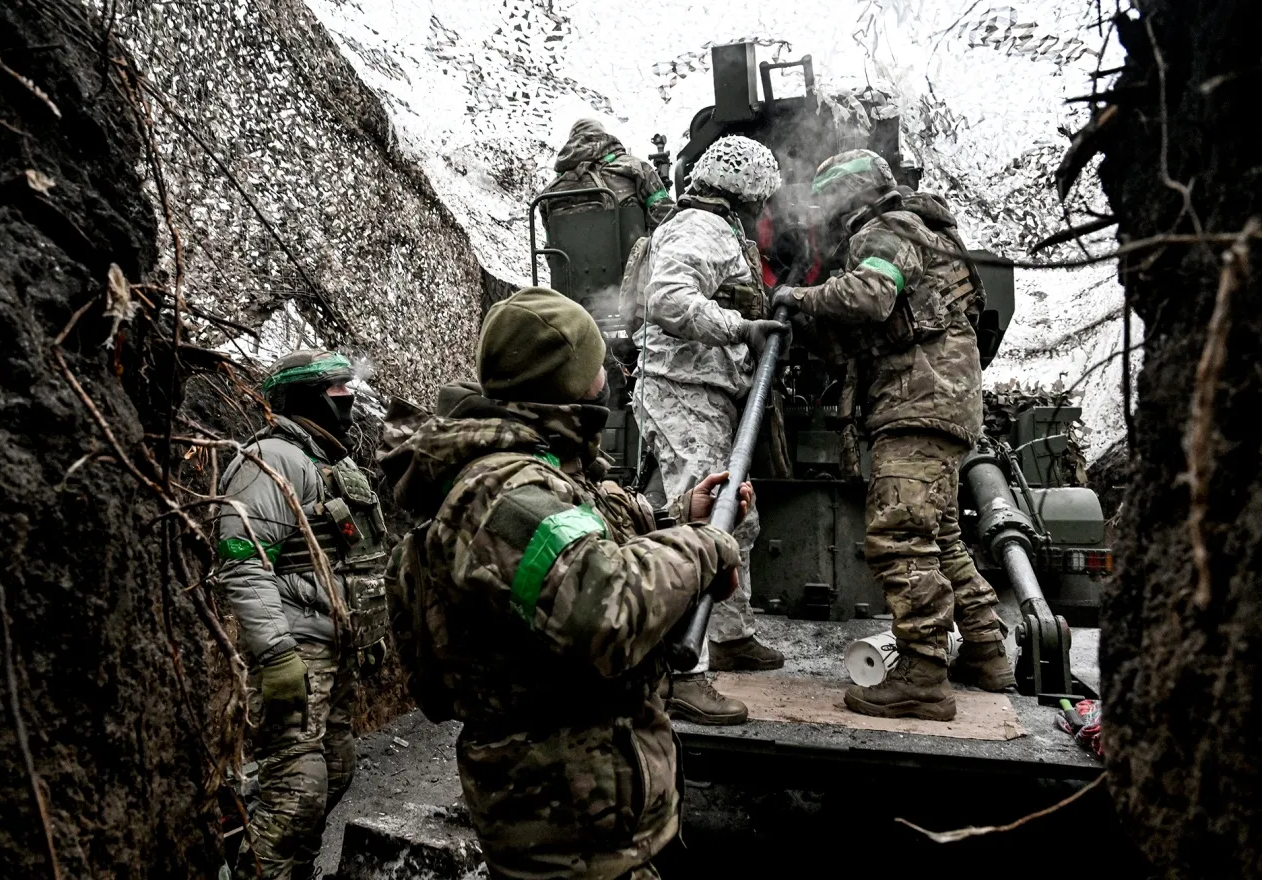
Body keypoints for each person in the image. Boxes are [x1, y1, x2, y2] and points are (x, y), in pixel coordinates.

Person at [379, 287, 749, 880]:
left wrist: (684, 520)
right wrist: (704, 547)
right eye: (596, 361)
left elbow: (591, 543)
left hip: (602, 820)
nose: (607, 373)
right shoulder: (500, 495)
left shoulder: (548, 467)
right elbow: (605, 608)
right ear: (571, 381)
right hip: (564, 833)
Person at [770, 149, 1014, 722]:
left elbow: (870, 297)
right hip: (939, 404)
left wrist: (797, 299)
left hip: (916, 405)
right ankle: (985, 652)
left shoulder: (884, 230)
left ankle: (922, 677)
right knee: (942, 538)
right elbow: (879, 325)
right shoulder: (920, 229)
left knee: (901, 537)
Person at [631, 134, 792, 726]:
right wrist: (741, 328)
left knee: (735, 519)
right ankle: (683, 672)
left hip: (704, 392)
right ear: (747, 190)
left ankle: (728, 635)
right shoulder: (700, 228)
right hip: (681, 390)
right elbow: (669, 301)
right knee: (703, 524)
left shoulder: (716, 231)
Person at [214, 350, 389, 879]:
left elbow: (356, 561)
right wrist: (276, 653)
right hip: (296, 646)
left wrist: (369, 634)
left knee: (335, 768)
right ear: (305, 396)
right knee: (298, 789)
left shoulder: (331, 462)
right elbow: (242, 563)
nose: (349, 397)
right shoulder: (270, 458)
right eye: (336, 389)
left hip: (334, 647)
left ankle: (286, 864)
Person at [538, 118, 675, 233]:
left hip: (571, 266)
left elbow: (553, 243)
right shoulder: (636, 168)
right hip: (634, 263)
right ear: (603, 136)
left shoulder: (549, 193)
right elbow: (667, 222)